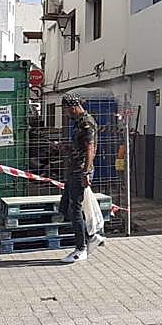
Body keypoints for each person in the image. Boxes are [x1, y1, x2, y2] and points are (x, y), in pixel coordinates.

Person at [59, 94, 103, 263]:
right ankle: (90, 237)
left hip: (80, 171)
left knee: (74, 209)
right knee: (66, 207)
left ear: (73, 107)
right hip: (74, 170)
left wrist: (86, 172)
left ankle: (81, 248)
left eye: (65, 110)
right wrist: (66, 148)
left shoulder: (86, 123)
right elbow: (80, 147)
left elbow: (90, 148)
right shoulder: (78, 123)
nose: (65, 113)